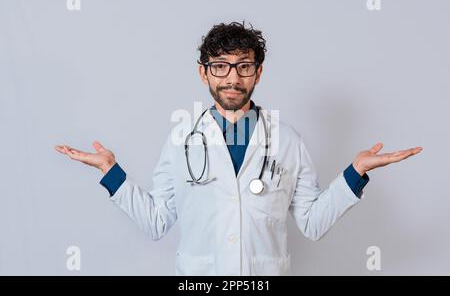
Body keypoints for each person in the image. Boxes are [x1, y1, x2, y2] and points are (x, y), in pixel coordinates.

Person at [55, 21, 422, 275]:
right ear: (204, 73)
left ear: (258, 72)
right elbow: (156, 221)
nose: (233, 77)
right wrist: (110, 172)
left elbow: (311, 223)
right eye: (220, 66)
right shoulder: (181, 139)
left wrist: (354, 174)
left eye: (244, 66)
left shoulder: (288, 141)